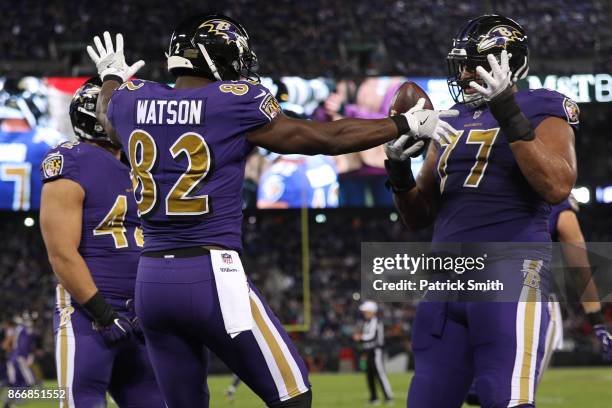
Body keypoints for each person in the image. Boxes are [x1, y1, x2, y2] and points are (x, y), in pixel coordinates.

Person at [85, 13, 458, 408]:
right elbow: (321, 137)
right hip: (210, 273)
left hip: (151, 280)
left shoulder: (132, 99)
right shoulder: (232, 102)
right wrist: (401, 123)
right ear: (214, 58)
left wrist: (111, 75)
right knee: (293, 395)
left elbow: (108, 115)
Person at [384, 14, 612, 407]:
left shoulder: (543, 104)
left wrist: (506, 107)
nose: (466, 74)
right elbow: (418, 216)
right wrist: (398, 169)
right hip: (445, 281)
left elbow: (557, 185)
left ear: (508, 61)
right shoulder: (450, 120)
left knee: (505, 399)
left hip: (510, 273)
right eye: (461, 65)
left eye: (475, 63)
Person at [39, 77, 164, 408]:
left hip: (139, 316)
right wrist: (104, 314)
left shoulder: (139, 168)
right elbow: (62, 254)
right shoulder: (72, 160)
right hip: (88, 315)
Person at [465, 195, 612, 405]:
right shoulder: (553, 198)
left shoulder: (483, 192)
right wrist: (596, 319)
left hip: (482, 296)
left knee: (486, 393)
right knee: (515, 398)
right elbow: (579, 264)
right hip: (532, 303)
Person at [353, 301, 393, 405]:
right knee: (369, 375)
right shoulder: (367, 322)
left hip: (376, 351)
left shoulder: (376, 322)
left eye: (365, 311)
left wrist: (360, 337)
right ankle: (374, 398)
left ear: (371, 311)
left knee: (380, 374)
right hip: (369, 351)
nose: (364, 313)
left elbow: (373, 336)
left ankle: (388, 397)